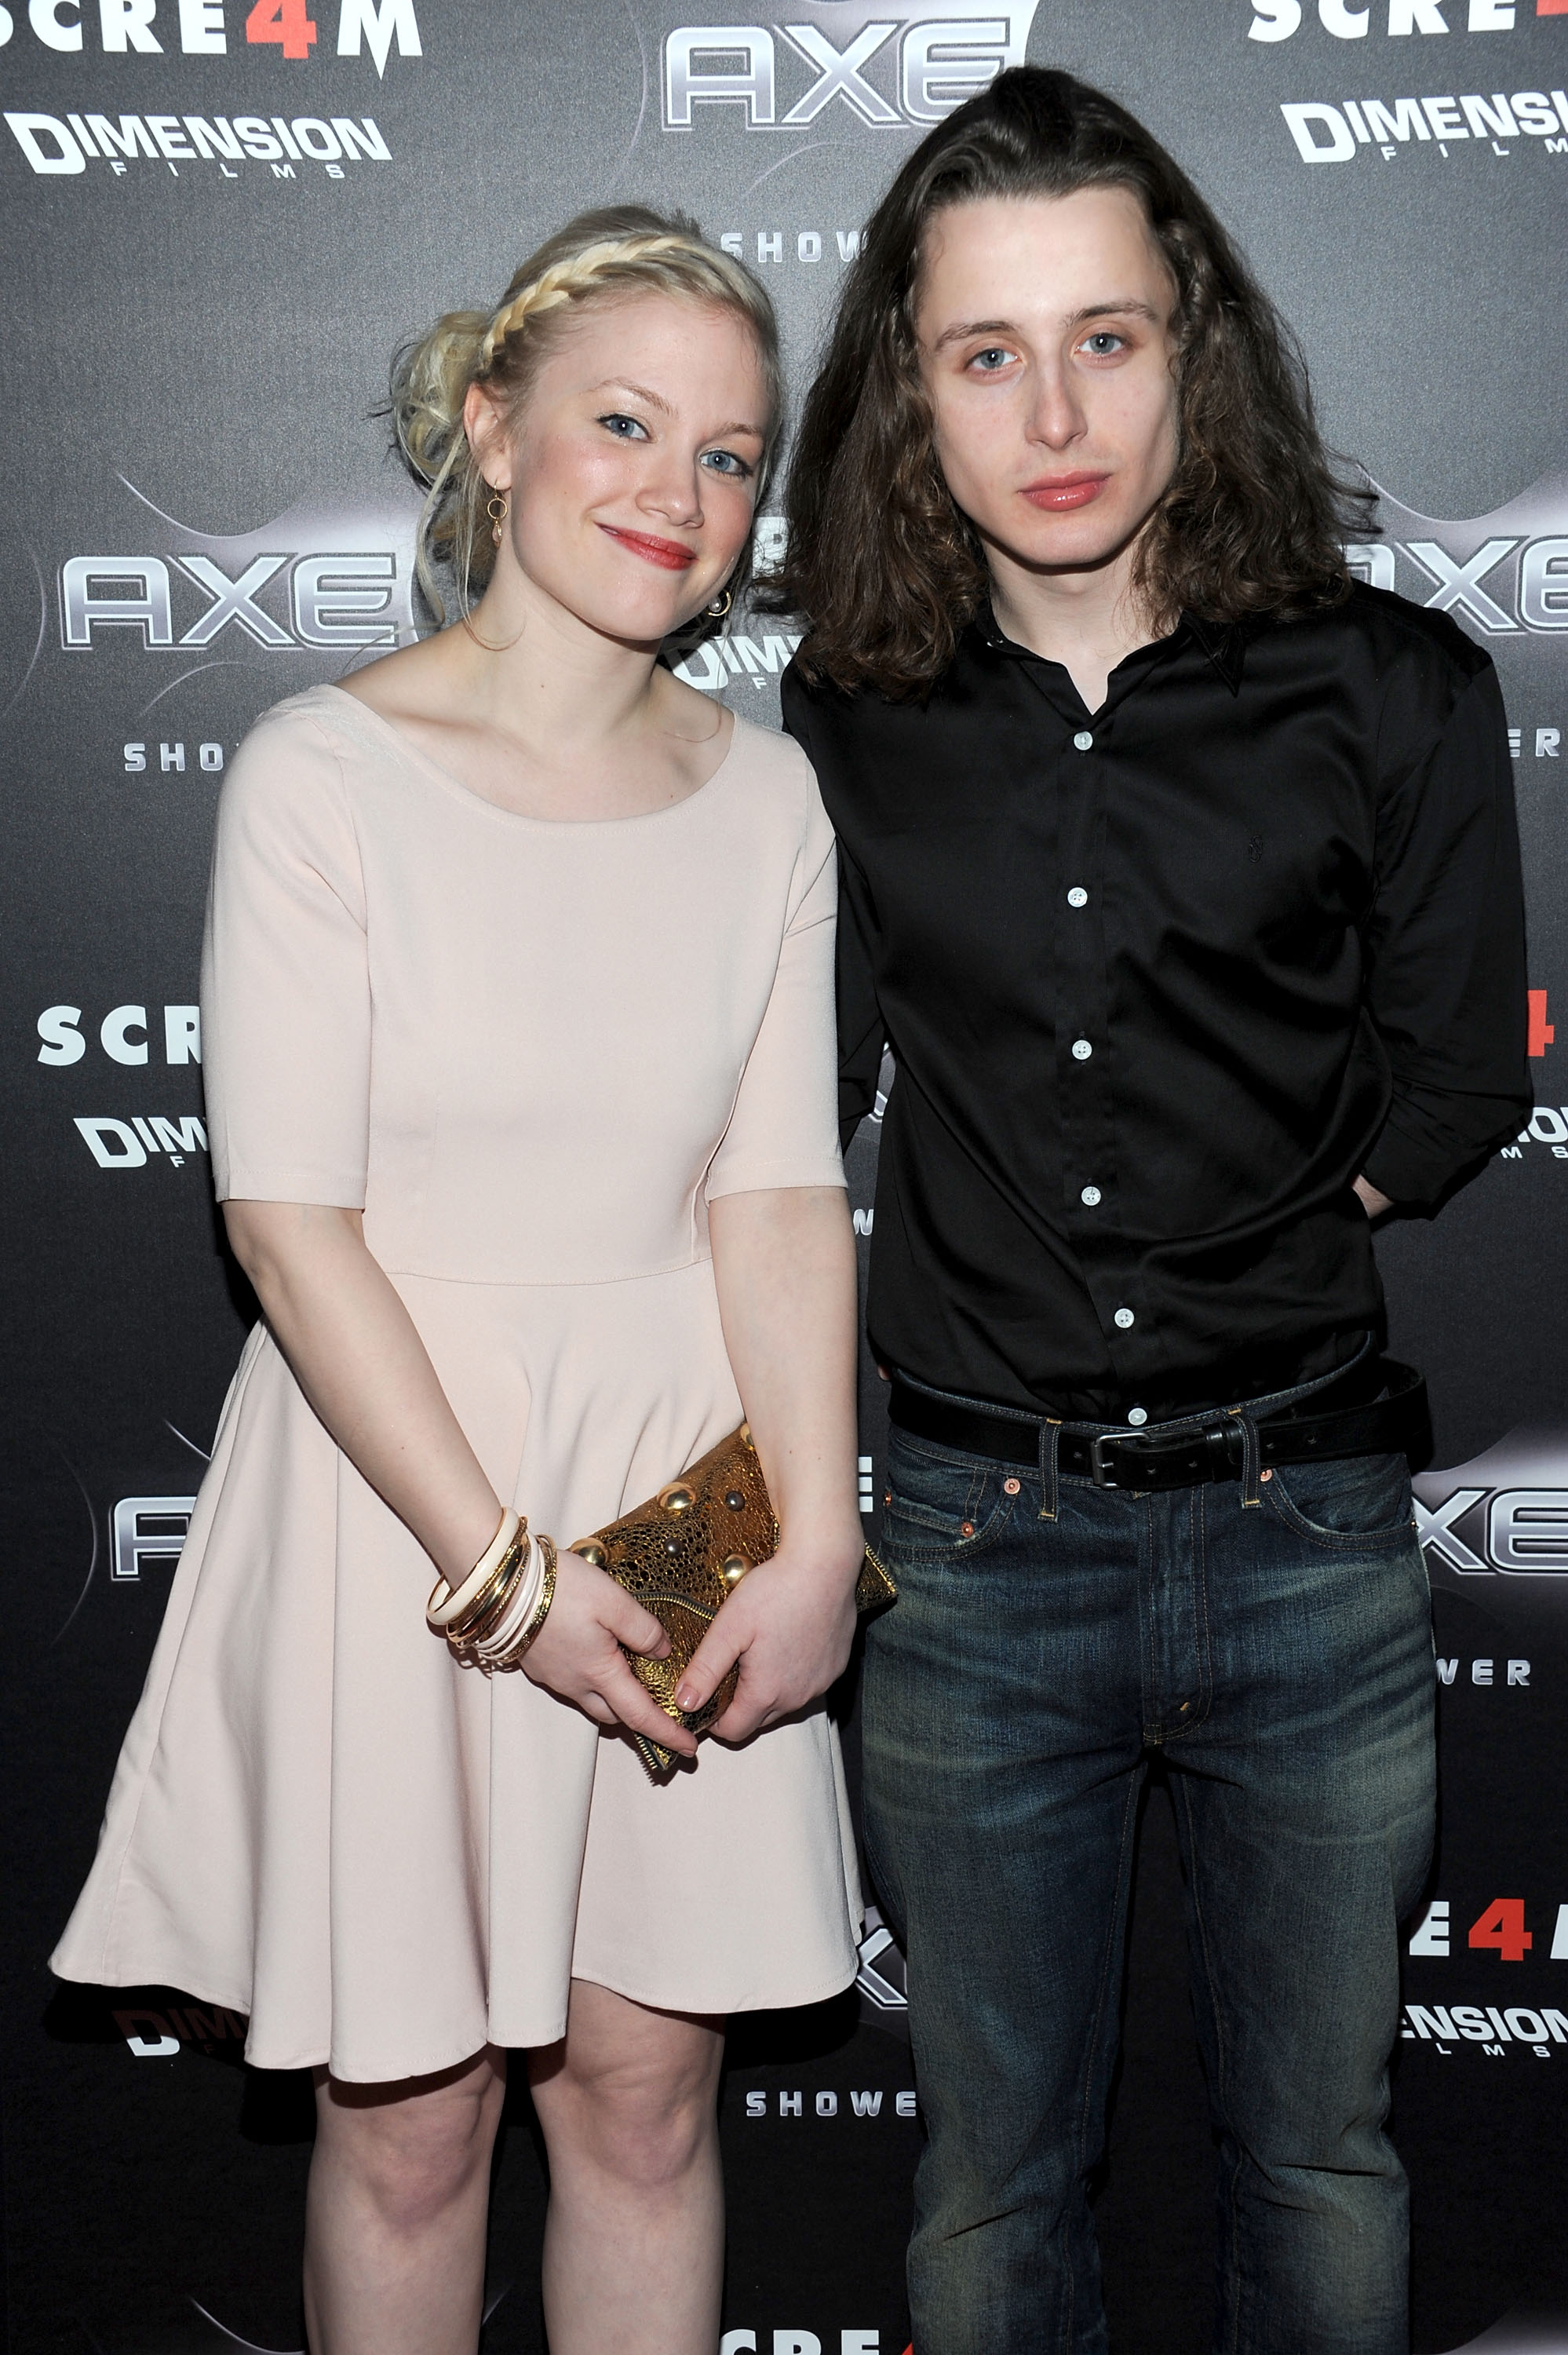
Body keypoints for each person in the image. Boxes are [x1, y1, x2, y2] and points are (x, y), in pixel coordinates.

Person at [53, 206, 869, 2355]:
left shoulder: (769, 802)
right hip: (396, 1490)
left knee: (646, 2102)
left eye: (727, 454)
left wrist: (817, 1532)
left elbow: (779, 1201)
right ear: (492, 431)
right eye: (622, 423)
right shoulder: (322, 778)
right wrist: (499, 1569)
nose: (675, 494)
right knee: (408, 2128)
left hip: (689, 1479)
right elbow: (284, 1224)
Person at [770, 67, 1531, 2355]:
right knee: (998, 2192)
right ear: (915, 393)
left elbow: (1458, 1082)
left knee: (1320, 2164)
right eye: (987, 354)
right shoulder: (846, 717)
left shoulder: (1397, 688)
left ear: (1195, 339)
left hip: (1309, 1539)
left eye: (1107, 337)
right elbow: (798, 1125)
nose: (1057, 411)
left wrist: (1249, 1231)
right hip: (970, 1554)